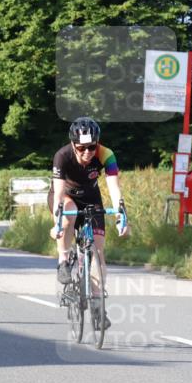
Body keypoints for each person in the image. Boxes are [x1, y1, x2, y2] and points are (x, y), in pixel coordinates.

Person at [49, 117, 130, 327]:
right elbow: (58, 194)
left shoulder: (106, 154)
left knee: (98, 253)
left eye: (92, 147)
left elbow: (114, 188)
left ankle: (97, 306)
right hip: (65, 197)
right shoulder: (62, 156)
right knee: (70, 214)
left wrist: (121, 217)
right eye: (81, 148)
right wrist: (57, 223)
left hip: (91, 198)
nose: (87, 152)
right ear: (73, 145)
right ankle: (63, 259)